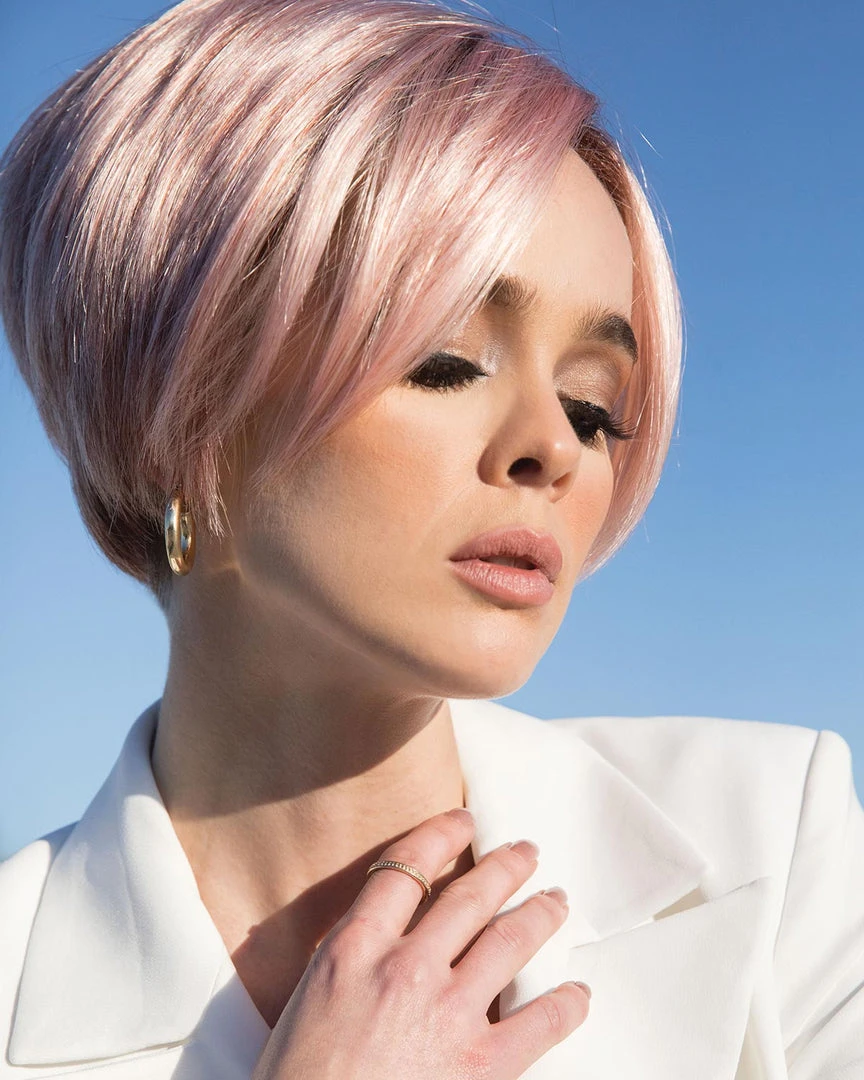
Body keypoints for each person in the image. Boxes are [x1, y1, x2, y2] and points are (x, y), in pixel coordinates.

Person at [0, 1, 862, 1077]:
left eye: (594, 404)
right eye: (446, 360)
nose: (555, 446)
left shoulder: (771, 844)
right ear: (181, 418)